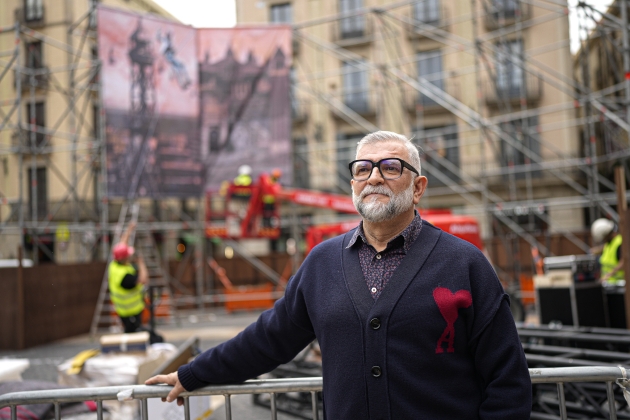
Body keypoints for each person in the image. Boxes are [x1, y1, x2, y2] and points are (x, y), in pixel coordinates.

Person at [146, 131, 532, 419]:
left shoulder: (466, 264)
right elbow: (270, 338)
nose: (374, 177)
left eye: (390, 167)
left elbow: (507, 379)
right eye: (363, 168)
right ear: (353, 186)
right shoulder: (321, 263)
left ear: (418, 188)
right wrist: (193, 373)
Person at [108, 222, 148, 334]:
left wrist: (129, 230)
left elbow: (122, 244)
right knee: (133, 335)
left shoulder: (114, 265)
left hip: (124, 310)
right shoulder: (125, 277)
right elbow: (143, 280)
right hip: (130, 312)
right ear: (124, 258)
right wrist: (141, 263)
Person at [591, 218, 625, 284]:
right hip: (608, 284)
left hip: (619, 284)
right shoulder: (609, 243)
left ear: (607, 235)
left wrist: (608, 275)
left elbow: (624, 262)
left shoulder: (620, 243)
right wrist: (598, 250)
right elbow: (609, 248)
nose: (603, 240)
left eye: (603, 238)